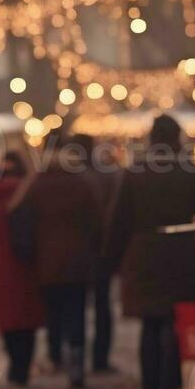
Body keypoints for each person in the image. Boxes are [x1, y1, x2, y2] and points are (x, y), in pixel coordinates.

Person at [107, 115, 195, 389]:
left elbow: (118, 221)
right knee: (172, 323)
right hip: (179, 256)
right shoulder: (189, 171)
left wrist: (110, 260)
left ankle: (149, 387)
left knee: (149, 324)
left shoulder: (135, 172)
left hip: (143, 257)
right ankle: (170, 387)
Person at [17, 133, 105, 388]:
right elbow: (97, 222)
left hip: (45, 261)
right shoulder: (83, 183)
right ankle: (76, 363)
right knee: (76, 313)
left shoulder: (36, 184)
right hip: (78, 261)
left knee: (53, 312)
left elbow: (21, 219)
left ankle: (55, 355)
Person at [0, 151, 43, 385]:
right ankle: (23, 366)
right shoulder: (32, 194)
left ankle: (14, 364)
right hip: (28, 264)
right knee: (27, 320)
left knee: (7, 321)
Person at [78, 135, 123, 373]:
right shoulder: (107, 176)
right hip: (101, 249)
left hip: (75, 252)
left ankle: (71, 355)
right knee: (102, 306)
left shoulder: (71, 178)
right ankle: (99, 357)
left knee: (75, 306)